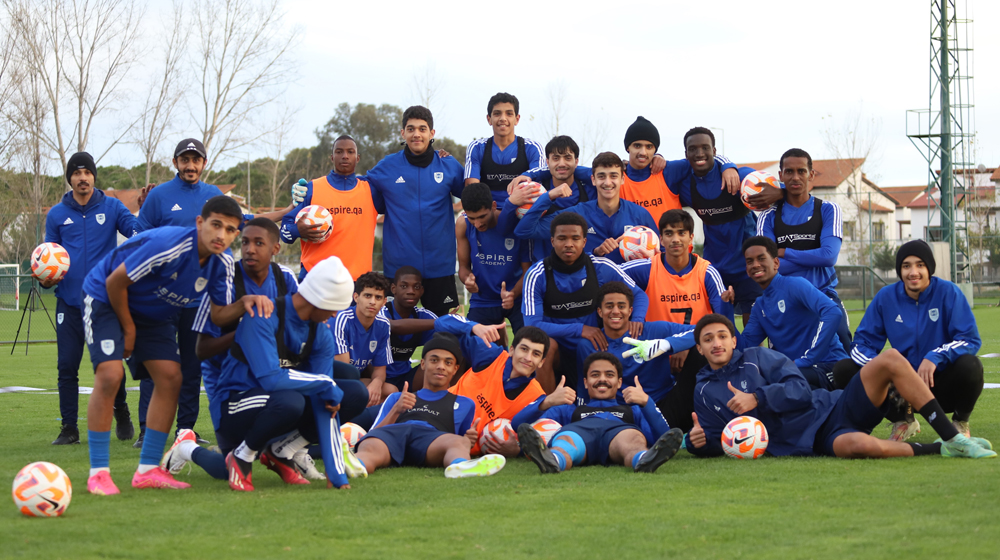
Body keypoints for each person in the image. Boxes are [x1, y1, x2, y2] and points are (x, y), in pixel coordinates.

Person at [166, 219, 368, 483]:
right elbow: (201, 350)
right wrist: (247, 333)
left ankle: (287, 448)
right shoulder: (224, 281)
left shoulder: (284, 277)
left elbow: (298, 319)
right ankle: (186, 447)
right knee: (224, 468)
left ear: (275, 248)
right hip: (231, 378)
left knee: (348, 381)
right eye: (246, 242)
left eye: (259, 243)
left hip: (277, 372)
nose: (250, 249)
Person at [81, 196, 252, 495]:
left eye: (229, 229)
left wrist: (245, 304)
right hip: (106, 296)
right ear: (199, 223)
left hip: (152, 312)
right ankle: (98, 473)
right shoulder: (170, 245)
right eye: (215, 225)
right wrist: (129, 329)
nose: (221, 234)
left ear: (236, 234)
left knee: (171, 378)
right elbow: (115, 282)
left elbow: (218, 314)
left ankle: (147, 471)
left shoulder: (223, 264)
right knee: (110, 375)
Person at [684, 314, 994, 459]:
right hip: (816, 442)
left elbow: (800, 389)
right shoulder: (702, 391)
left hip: (832, 407)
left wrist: (758, 397)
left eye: (722, 336)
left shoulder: (757, 357)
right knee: (860, 447)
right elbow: (717, 441)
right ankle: (941, 449)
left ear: (733, 340)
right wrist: (700, 443)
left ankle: (954, 436)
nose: (716, 343)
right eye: (708, 339)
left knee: (890, 359)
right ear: (699, 348)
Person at [210, 256, 365, 490]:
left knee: (353, 393)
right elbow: (272, 379)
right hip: (234, 406)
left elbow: (325, 401)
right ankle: (237, 454)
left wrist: (337, 475)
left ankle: (284, 450)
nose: (334, 315)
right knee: (293, 399)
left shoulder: (321, 335)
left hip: (277, 409)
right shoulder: (264, 315)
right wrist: (326, 384)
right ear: (320, 299)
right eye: (334, 307)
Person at [833, 240, 984, 441]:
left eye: (920, 265)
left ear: (929, 268)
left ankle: (960, 422)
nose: (913, 272)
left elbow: (969, 339)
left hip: (938, 384)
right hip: (900, 391)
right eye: (906, 266)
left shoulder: (949, 292)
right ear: (900, 270)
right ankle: (903, 420)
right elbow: (862, 344)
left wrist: (935, 357)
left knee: (971, 365)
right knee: (844, 370)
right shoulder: (886, 297)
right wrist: (889, 369)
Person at [132, 139, 224, 448]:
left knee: (191, 365)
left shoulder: (214, 196)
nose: (190, 165)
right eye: (185, 159)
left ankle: (185, 429)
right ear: (175, 163)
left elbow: (233, 230)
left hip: (197, 298)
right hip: (159, 297)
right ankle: (146, 427)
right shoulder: (158, 196)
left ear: (203, 163)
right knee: (154, 361)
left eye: (196, 160)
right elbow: (142, 237)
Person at [44, 152, 137, 445]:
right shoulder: (57, 214)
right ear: (69, 178)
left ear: (94, 177)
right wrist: (46, 276)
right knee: (66, 366)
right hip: (69, 304)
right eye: (76, 173)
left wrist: (144, 218)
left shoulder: (112, 207)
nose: (82, 177)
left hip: (103, 305)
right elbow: (49, 258)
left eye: (87, 172)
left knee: (109, 365)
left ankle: (121, 410)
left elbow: (137, 233)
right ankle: (69, 428)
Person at [350, 333, 507, 478]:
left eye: (448, 362)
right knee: (370, 445)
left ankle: (460, 466)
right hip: (393, 438)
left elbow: (459, 440)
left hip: (431, 441)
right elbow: (375, 433)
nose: (441, 366)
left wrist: (468, 440)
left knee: (459, 443)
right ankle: (355, 466)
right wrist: (396, 410)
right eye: (434, 360)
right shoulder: (397, 397)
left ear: (455, 369)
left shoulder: (465, 404)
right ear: (423, 364)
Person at [522, 211, 649, 391]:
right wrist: (579, 329)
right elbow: (532, 325)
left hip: (595, 346)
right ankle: (548, 410)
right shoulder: (537, 274)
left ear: (584, 241)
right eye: (562, 238)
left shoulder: (601, 266)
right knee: (543, 346)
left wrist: (637, 318)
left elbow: (639, 294)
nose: (569, 244)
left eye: (575, 238)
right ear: (552, 241)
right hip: (559, 351)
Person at [671, 127, 779, 324]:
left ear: (714, 150)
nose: (699, 153)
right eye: (693, 149)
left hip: (749, 262)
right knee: (718, 325)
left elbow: (777, 188)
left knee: (755, 324)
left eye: (705, 147)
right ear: (686, 154)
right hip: (716, 266)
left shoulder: (740, 176)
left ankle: (754, 356)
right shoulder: (685, 186)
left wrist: (778, 193)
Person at [365, 106, 465, 318]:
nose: (416, 134)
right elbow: (356, 188)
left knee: (441, 332)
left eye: (422, 129)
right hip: (399, 269)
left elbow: (474, 194)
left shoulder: (448, 165)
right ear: (403, 133)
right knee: (395, 333)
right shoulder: (387, 166)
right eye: (410, 129)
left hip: (440, 268)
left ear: (432, 133)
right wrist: (310, 191)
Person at [516, 352, 684, 474]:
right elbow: (518, 424)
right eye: (595, 375)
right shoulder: (570, 409)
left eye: (609, 375)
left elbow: (664, 435)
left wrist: (647, 402)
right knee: (566, 440)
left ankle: (643, 459)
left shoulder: (632, 410)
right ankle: (554, 460)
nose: (602, 379)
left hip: (619, 434)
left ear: (619, 383)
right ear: (586, 383)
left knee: (632, 439)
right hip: (579, 434)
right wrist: (548, 401)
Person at [435, 314, 574, 456]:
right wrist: (473, 327)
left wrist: (517, 449)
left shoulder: (536, 395)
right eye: (524, 349)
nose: (527, 358)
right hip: (439, 415)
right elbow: (440, 323)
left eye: (536, 354)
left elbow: (518, 424)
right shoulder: (491, 356)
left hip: (465, 447)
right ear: (512, 350)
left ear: (541, 362)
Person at [756, 148, 851, 351]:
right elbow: (769, 266)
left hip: (823, 293)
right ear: (780, 176)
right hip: (784, 298)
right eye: (789, 172)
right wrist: (809, 257)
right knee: (784, 358)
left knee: (844, 345)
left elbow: (828, 256)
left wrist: (784, 252)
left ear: (811, 174)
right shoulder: (768, 217)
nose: (795, 177)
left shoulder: (828, 210)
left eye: (801, 171)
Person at [574, 282, 696, 429]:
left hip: (664, 402)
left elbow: (701, 331)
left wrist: (669, 344)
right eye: (609, 306)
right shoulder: (588, 345)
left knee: (699, 352)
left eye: (621, 306)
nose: (615, 311)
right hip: (622, 411)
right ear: (600, 311)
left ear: (630, 310)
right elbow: (584, 388)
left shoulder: (653, 330)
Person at [739, 236, 849, 390]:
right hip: (796, 372)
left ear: (776, 263)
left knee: (777, 384)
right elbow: (743, 346)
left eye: (761, 258)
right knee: (757, 383)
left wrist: (807, 359)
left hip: (829, 367)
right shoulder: (759, 306)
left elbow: (832, 312)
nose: (755, 265)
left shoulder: (795, 285)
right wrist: (724, 307)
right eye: (749, 261)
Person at [515, 152, 659, 266]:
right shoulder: (576, 214)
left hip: (626, 298)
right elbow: (524, 230)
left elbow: (659, 255)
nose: (608, 182)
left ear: (622, 179)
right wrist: (548, 196)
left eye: (613, 176)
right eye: (601, 176)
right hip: (586, 296)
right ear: (593, 180)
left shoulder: (640, 215)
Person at [280, 135, 378, 281]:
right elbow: (284, 232)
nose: (345, 156)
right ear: (331, 157)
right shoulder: (312, 188)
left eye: (350, 152)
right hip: (315, 278)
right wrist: (297, 230)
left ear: (358, 158)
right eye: (339, 152)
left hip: (357, 282)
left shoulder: (371, 190)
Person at [457, 183, 529, 344]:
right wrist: (467, 280)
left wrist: (513, 294)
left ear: (493, 206)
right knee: (474, 350)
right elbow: (463, 267)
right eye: (472, 218)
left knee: (529, 346)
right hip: (483, 299)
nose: (477, 224)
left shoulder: (517, 223)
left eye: (482, 216)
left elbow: (528, 271)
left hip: (517, 298)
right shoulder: (462, 224)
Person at [464, 92, 545, 205]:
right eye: (497, 114)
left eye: (509, 114)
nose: (503, 118)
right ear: (489, 119)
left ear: (517, 119)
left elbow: (537, 188)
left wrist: (510, 207)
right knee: (462, 222)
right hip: (488, 211)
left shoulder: (532, 148)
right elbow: (473, 189)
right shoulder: (477, 148)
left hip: (520, 210)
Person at [334, 272, 394, 405]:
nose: (372, 302)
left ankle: (367, 421)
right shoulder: (342, 319)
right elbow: (344, 372)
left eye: (378, 297)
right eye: (368, 296)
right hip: (333, 379)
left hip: (356, 379)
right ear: (356, 297)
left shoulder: (383, 325)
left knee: (392, 392)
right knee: (360, 392)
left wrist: (376, 384)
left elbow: (380, 370)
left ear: (384, 302)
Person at [379, 266, 438, 392]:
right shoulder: (382, 313)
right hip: (379, 376)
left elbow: (447, 338)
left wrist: (454, 325)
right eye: (404, 286)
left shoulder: (424, 316)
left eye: (416, 287)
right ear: (393, 289)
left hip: (406, 376)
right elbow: (394, 326)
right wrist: (443, 322)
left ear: (422, 291)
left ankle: (445, 401)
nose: (411, 291)